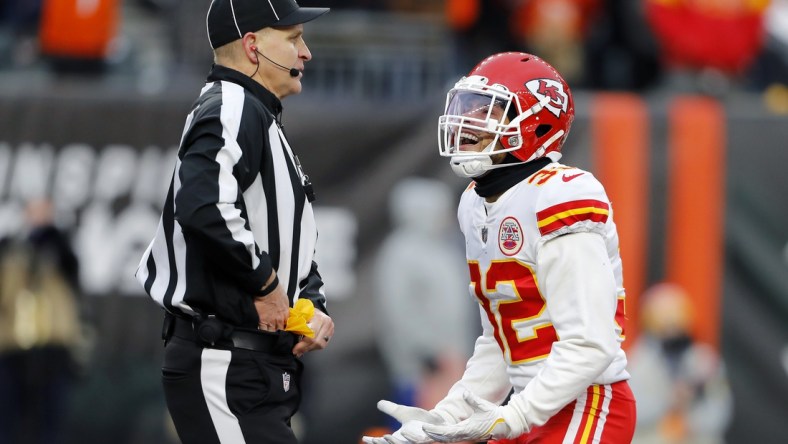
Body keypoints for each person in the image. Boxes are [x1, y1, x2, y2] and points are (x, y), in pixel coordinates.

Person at [363, 52, 636, 444]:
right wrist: (445, 415)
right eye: (467, 107)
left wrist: (517, 415)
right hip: (526, 406)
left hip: (586, 404)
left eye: (487, 111)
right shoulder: (475, 202)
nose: (468, 122)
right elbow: (500, 340)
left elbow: (591, 344)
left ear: (537, 123)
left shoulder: (561, 195)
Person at [135, 1, 334, 443]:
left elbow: (287, 238)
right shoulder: (233, 106)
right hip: (224, 360)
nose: (306, 53)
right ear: (252, 46)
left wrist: (311, 303)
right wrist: (265, 286)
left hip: (251, 364)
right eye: (293, 38)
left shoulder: (257, 115)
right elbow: (204, 206)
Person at [372, 177, 475, 433]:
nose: (445, 216)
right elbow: (399, 313)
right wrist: (430, 353)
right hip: (420, 367)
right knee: (412, 426)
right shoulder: (400, 252)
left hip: (453, 363)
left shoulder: (443, 249)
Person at [0, 198, 85, 444]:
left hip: (53, 347)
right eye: (35, 213)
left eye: (45, 213)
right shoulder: (10, 251)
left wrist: (53, 241)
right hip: (11, 347)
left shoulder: (60, 250)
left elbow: (73, 274)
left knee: (51, 420)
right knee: (8, 419)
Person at [628, 283, 731, 444]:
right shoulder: (636, 362)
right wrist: (670, 398)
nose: (671, 325)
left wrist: (690, 422)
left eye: (675, 316)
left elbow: (719, 411)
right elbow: (633, 414)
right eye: (663, 317)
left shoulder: (704, 360)